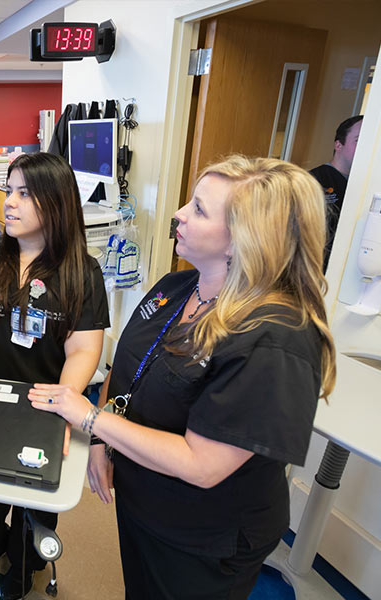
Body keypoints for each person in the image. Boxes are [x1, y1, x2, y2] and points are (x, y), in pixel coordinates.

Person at [30, 155, 336, 599]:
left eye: (198, 208)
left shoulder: (274, 339)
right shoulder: (176, 289)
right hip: (144, 501)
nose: (178, 214)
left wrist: (91, 421)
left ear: (242, 240)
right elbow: (127, 365)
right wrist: (102, 444)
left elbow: (202, 465)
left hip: (203, 537)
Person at [0, 152, 109, 598]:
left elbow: (84, 348)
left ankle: (22, 572)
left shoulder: (81, 271)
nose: (10, 202)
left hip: (44, 406)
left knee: (34, 508)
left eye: (24, 193)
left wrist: (62, 400)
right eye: (9, 189)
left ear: (55, 205)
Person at [310, 115, 363, 268]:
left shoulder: (364, 185)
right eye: (358, 141)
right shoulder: (313, 180)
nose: (364, 147)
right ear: (338, 145)